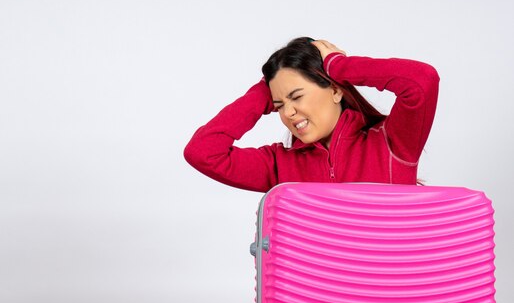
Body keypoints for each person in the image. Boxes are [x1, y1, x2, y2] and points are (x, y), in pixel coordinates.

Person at [183, 37, 439, 192]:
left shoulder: (391, 143)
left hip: (391, 281)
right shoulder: (278, 165)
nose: (289, 112)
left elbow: (422, 81)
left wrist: (340, 66)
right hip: (313, 283)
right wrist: (264, 92)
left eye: (296, 97)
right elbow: (202, 152)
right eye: (278, 105)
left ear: (336, 90)